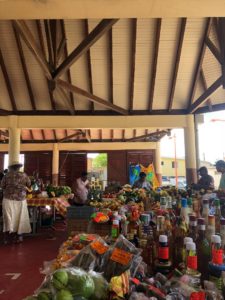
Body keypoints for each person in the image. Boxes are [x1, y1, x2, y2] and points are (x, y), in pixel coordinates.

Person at [1, 161, 31, 244]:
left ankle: (8, 236)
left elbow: (2, 186)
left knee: (8, 217)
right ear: (18, 167)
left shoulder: (6, 175)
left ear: (11, 167)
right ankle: (19, 236)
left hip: (8, 199)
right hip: (20, 199)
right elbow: (29, 184)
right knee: (20, 217)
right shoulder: (24, 175)